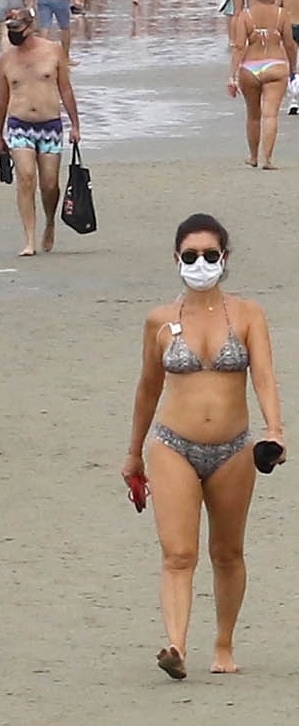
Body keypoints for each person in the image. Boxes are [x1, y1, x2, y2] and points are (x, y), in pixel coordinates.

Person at [123, 214, 283, 680]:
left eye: (209, 255)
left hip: (234, 448)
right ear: (176, 259)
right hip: (173, 444)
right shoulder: (160, 320)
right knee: (178, 554)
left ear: (225, 259)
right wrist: (133, 452)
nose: (200, 263)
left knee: (228, 552)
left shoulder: (249, 314)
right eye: (190, 256)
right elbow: (147, 389)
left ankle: (224, 646)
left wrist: (276, 431)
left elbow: (265, 377)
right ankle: (175, 645)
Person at [0, 7, 82, 255]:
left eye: (17, 29)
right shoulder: (6, 60)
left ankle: (50, 222)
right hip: (19, 124)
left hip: (50, 125)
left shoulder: (53, 50)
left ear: (29, 26)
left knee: (50, 184)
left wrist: (75, 124)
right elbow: (1, 100)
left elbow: (65, 89)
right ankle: (29, 239)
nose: (13, 35)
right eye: (9, 30)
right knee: (26, 176)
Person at [227, 0, 295, 170]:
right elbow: (289, 45)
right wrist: (293, 69)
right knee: (270, 115)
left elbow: (239, 47)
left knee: (253, 115)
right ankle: (268, 159)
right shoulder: (282, 15)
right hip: (275, 65)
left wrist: (232, 76)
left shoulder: (245, 16)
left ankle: (253, 156)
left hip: (250, 67)